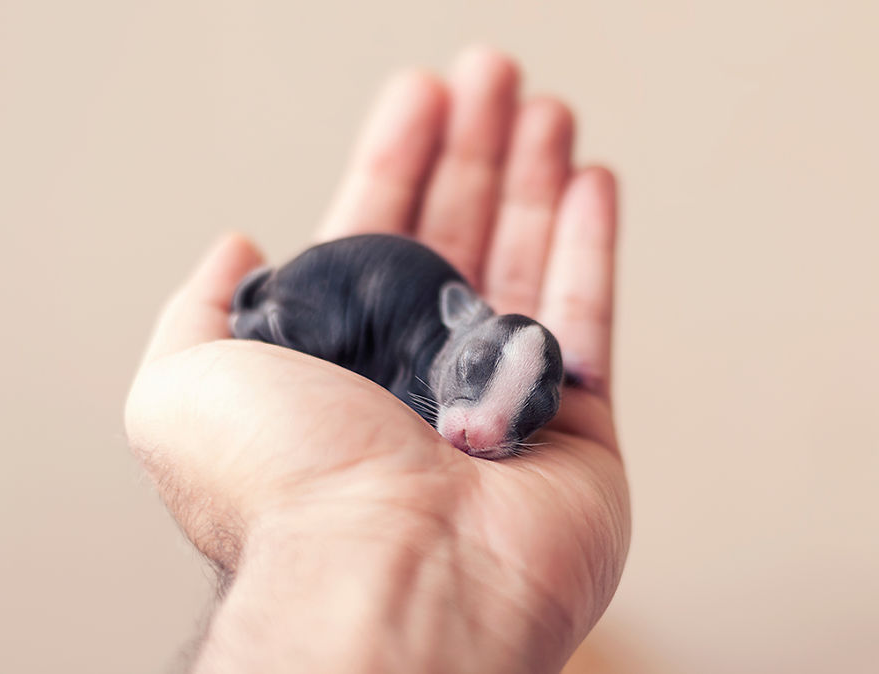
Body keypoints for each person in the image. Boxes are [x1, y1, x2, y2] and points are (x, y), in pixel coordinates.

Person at [125, 46, 630, 673]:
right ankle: (269, 319)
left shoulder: (468, 346)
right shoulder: (430, 341)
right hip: (325, 295)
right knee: (327, 329)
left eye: (528, 412)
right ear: (459, 321)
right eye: (470, 386)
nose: (481, 432)